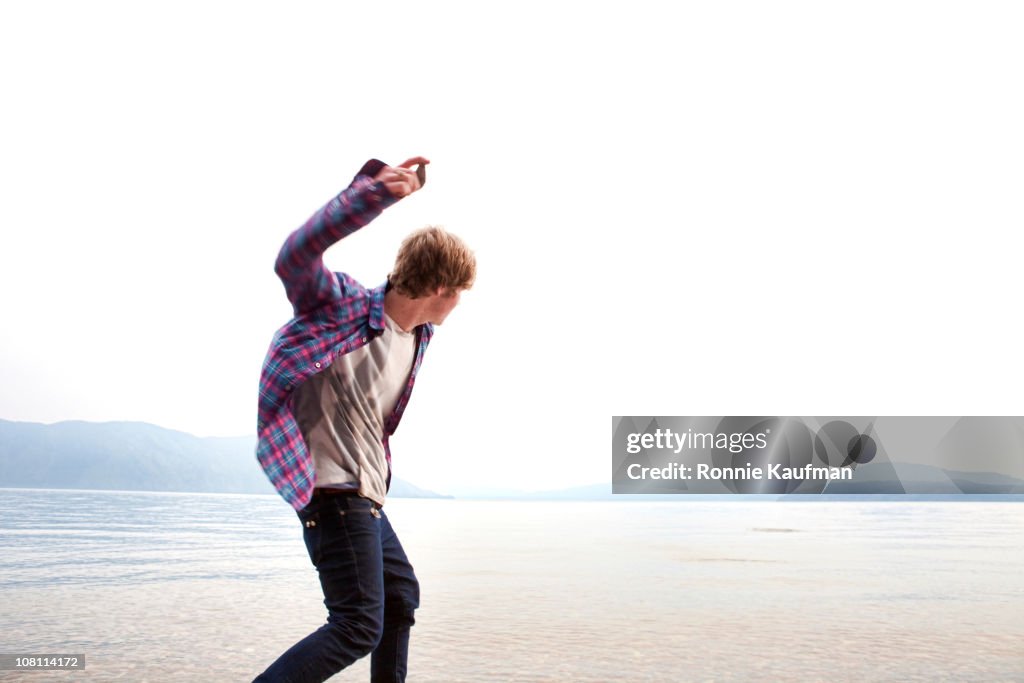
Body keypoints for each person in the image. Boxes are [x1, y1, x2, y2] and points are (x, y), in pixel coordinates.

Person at [253, 156, 476, 683]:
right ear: (443, 287)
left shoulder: (417, 339)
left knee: (399, 599)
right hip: (335, 492)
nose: (460, 302)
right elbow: (295, 255)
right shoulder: (342, 306)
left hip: (364, 496)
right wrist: (375, 193)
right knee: (356, 625)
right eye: (461, 291)